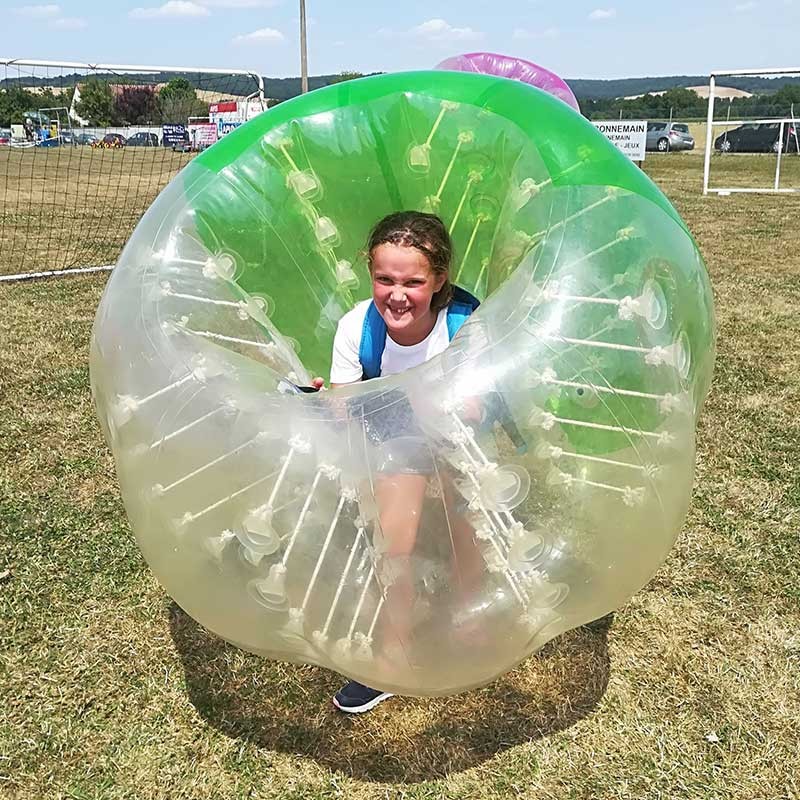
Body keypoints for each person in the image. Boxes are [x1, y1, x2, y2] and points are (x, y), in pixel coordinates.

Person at [315, 210, 482, 714]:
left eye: (413, 281)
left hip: (460, 432)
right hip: (396, 431)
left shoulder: (464, 326)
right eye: (384, 279)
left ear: (439, 280)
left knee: (464, 517)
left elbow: (474, 408)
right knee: (395, 538)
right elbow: (345, 405)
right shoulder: (357, 327)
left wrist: (424, 400)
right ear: (370, 273)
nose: (397, 294)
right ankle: (394, 652)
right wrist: (325, 400)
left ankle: (475, 614)